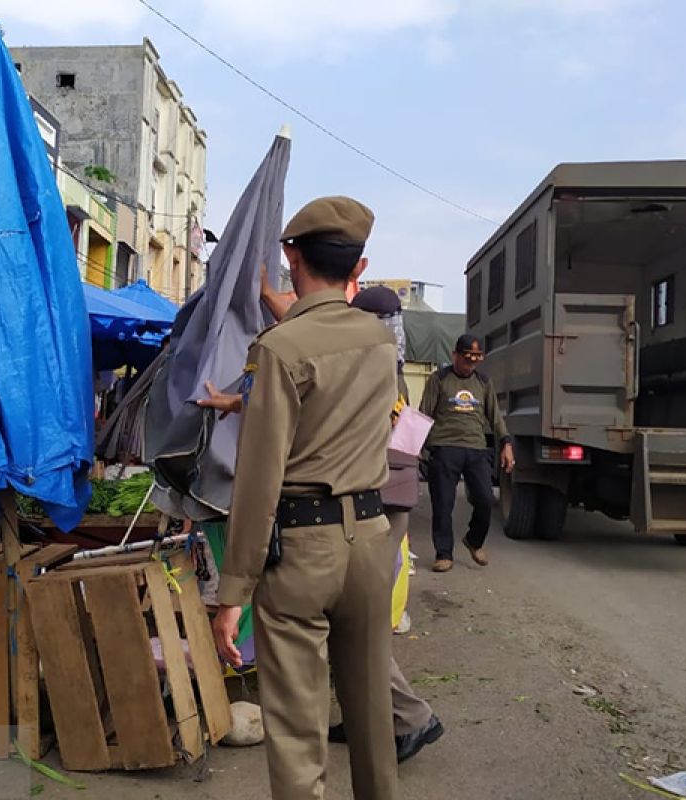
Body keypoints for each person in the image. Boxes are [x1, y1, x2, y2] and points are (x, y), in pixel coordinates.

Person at [209, 196, 401, 800]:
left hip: (302, 549)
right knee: (372, 713)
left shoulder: (281, 349)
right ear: (359, 266)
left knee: (297, 731)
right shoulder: (379, 341)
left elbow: (259, 478)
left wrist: (232, 592)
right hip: (371, 541)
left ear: (291, 256)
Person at [209, 282, 444, 764]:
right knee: (354, 623)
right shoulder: (378, 356)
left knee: (357, 628)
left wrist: (258, 286)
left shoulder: (365, 356)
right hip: (379, 501)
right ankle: (381, 719)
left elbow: (305, 396)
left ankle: (411, 717)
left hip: (368, 504)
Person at [419, 334, 514, 573]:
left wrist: (506, 443)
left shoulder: (483, 382)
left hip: (475, 449)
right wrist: (414, 447)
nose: (470, 364)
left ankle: (474, 541)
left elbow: (495, 416)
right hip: (444, 447)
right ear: (455, 356)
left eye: (475, 360)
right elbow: (423, 414)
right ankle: (443, 554)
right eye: (466, 359)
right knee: (443, 503)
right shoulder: (438, 379)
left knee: (483, 500)